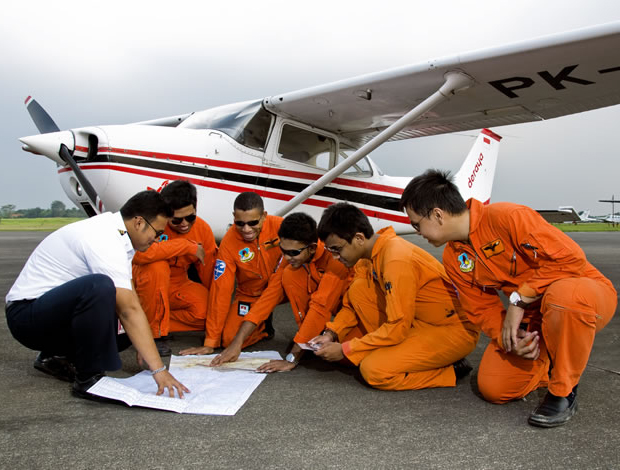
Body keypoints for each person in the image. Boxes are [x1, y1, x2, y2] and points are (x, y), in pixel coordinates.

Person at [400, 169, 617, 427]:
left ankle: (563, 391)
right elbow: (481, 308)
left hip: (583, 294)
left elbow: (570, 259)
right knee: (494, 387)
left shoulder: (508, 217)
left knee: (563, 297)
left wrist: (518, 299)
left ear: (437, 214)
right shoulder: (454, 257)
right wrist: (511, 340)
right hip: (535, 317)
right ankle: (548, 361)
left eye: (416, 224)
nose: (416, 231)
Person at [5, 190, 189, 400]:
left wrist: (147, 350)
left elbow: (130, 299)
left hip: (51, 314)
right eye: (156, 233)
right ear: (139, 222)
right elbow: (128, 309)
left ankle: (54, 356)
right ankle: (88, 379)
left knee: (123, 333)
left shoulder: (120, 236)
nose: (156, 240)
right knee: (99, 287)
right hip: (26, 315)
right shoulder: (104, 238)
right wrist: (159, 370)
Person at [310, 202, 479, 391]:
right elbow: (351, 305)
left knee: (373, 369)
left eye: (337, 249)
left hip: (452, 330)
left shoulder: (395, 258)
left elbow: (398, 326)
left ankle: (450, 370)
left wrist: (346, 349)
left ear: (358, 238)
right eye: (330, 251)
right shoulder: (367, 257)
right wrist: (331, 333)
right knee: (358, 290)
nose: (335, 257)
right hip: (418, 322)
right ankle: (397, 355)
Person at [203, 212, 353, 371]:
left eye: (294, 253)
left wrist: (292, 358)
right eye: (283, 251)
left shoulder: (335, 258)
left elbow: (320, 307)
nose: (287, 258)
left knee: (348, 359)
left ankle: (310, 341)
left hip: (351, 312)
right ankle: (309, 341)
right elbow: (268, 298)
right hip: (327, 308)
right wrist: (237, 343)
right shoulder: (292, 260)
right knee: (289, 275)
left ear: (312, 248)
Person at [180, 192, 284, 356]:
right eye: (240, 223)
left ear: (264, 216)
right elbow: (221, 290)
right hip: (251, 295)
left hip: (284, 288)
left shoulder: (281, 226)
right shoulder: (228, 243)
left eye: (253, 223)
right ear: (234, 217)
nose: (246, 229)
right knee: (228, 339)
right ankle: (263, 327)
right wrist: (211, 341)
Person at [132, 180, 217, 356]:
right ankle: (154, 335)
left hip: (178, 284)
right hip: (145, 285)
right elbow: (141, 254)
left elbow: (209, 272)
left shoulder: (203, 229)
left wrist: (216, 327)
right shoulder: (151, 223)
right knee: (157, 266)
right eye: (177, 220)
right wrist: (187, 246)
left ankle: (141, 324)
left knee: (209, 313)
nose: (185, 224)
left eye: (190, 217)